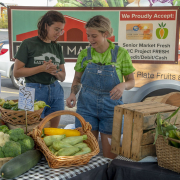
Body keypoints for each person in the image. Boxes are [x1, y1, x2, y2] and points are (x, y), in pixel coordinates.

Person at [66, 15, 136, 159]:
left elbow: (131, 81)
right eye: (88, 36)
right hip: (86, 106)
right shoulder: (85, 54)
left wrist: (123, 85)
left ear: (105, 34)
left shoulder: (121, 54)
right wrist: (72, 94)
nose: (90, 40)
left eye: (94, 36)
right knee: (85, 151)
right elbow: (77, 79)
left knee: (110, 155)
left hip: (111, 107)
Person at [13, 11, 66, 128]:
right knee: (29, 131)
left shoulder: (57, 47)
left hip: (56, 89)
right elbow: (16, 72)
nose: (59, 33)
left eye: (61, 30)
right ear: (46, 26)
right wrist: (41, 68)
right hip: (30, 89)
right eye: (56, 29)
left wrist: (54, 71)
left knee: (52, 133)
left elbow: (63, 77)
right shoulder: (27, 43)